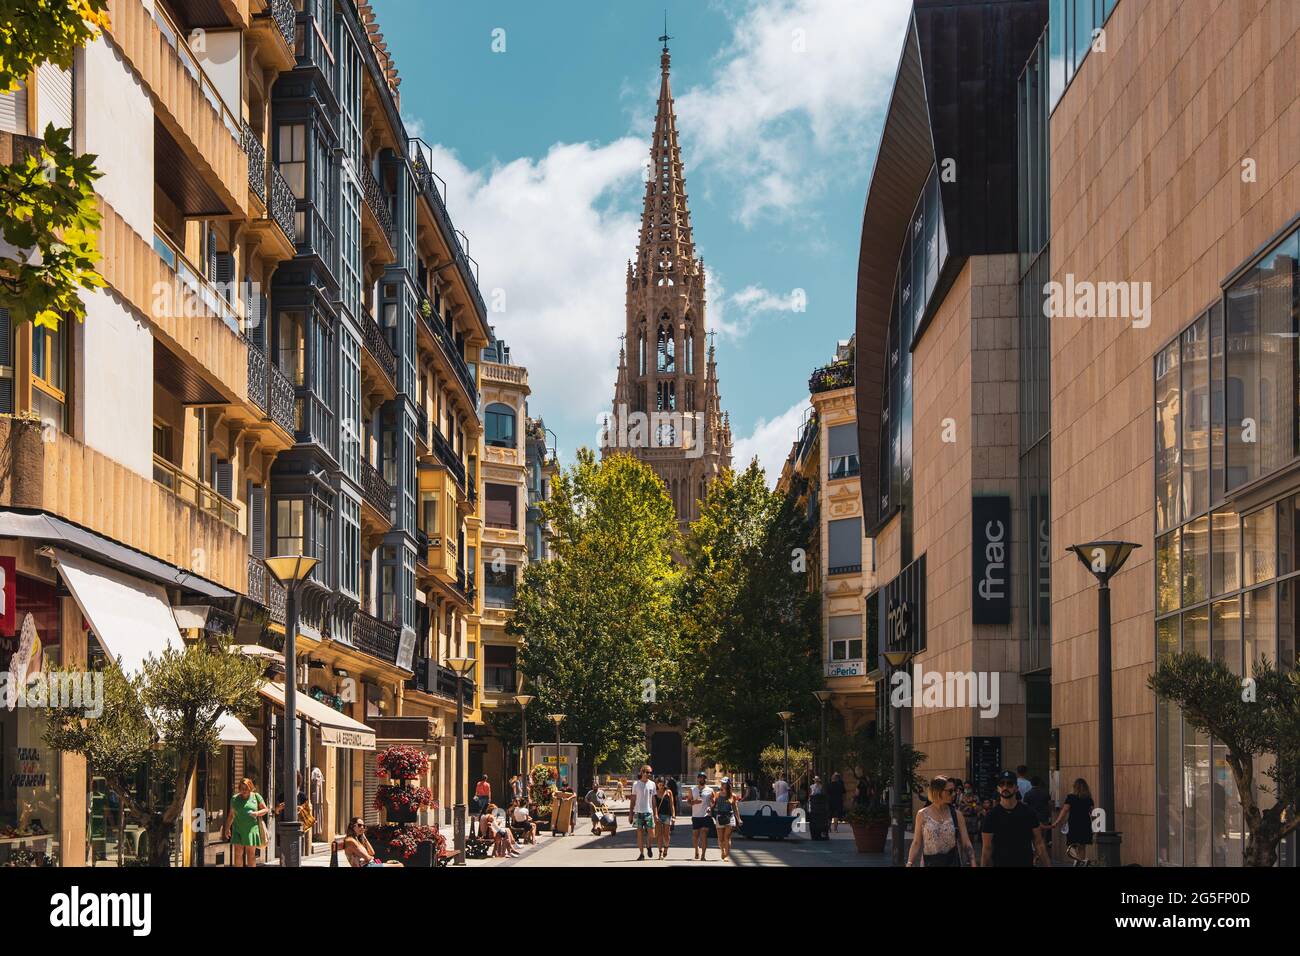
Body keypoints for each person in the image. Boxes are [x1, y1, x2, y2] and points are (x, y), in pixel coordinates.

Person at [981, 770, 1050, 867]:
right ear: (998, 788)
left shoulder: (1028, 813)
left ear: (1016, 788)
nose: (1005, 787)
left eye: (1009, 784)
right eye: (1002, 784)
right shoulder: (991, 816)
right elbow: (987, 848)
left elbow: (1039, 843)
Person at [907, 776, 976, 867]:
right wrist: (909, 863)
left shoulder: (957, 815)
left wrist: (973, 863)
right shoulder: (922, 814)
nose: (954, 794)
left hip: (952, 862)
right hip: (930, 862)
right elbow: (916, 842)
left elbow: (966, 842)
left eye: (954, 790)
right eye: (950, 791)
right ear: (938, 792)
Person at [222, 777, 271, 867]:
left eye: (246, 788)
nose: (243, 791)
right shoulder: (234, 799)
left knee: (251, 855)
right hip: (238, 829)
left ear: (250, 787)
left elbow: (265, 809)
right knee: (237, 854)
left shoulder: (256, 796)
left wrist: (256, 813)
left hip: (251, 830)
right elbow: (231, 815)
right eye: (241, 788)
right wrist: (227, 828)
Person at [1047, 777, 1095, 866]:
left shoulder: (1071, 797)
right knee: (1082, 845)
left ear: (1074, 787)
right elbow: (1092, 813)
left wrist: (1057, 822)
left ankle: (1077, 860)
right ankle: (1081, 862)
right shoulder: (1088, 799)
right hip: (1085, 823)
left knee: (1071, 845)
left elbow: (1064, 810)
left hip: (1074, 822)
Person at [629, 764, 657, 861]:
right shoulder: (636, 784)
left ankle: (649, 846)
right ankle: (641, 853)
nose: (649, 774)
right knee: (639, 834)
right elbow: (633, 800)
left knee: (652, 834)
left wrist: (656, 813)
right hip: (638, 812)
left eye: (650, 772)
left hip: (649, 812)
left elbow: (654, 801)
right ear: (642, 772)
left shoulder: (652, 784)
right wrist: (630, 814)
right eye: (647, 772)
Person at [687, 770, 715, 861]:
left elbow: (713, 802)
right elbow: (688, 802)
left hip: (706, 816)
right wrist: (694, 802)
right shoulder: (692, 789)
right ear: (698, 778)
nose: (702, 779)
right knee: (695, 836)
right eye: (700, 777)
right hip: (695, 816)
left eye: (704, 777)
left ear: (705, 779)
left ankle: (703, 855)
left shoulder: (710, 790)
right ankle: (696, 850)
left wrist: (711, 807)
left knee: (704, 835)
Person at [713, 777, 741, 860]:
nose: (722, 784)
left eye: (724, 783)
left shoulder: (733, 796)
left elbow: (735, 808)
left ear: (728, 784)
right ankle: (722, 851)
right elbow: (713, 805)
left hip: (729, 816)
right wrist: (709, 808)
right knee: (720, 838)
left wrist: (738, 819)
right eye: (722, 783)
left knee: (727, 837)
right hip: (720, 816)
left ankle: (727, 854)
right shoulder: (717, 794)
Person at [1023, 775, 1054, 850]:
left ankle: (1036, 855)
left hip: (1032, 819)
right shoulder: (1045, 793)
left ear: (1031, 783)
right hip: (1044, 818)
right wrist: (1050, 815)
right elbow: (1050, 805)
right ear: (1039, 783)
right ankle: (1042, 854)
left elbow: (1025, 807)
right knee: (1043, 838)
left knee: (1033, 837)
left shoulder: (1027, 794)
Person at [654, 777, 676, 859]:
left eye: (663, 784)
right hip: (658, 816)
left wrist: (673, 816)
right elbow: (654, 806)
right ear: (657, 784)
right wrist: (655, 815)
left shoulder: (668, 792)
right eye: (660, 784)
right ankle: (660, 852)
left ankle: (666, 848)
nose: (661, 786)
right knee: (659, 835)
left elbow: (672, 805)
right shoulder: (655, 793)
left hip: (667, 815)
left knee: (666, 835)